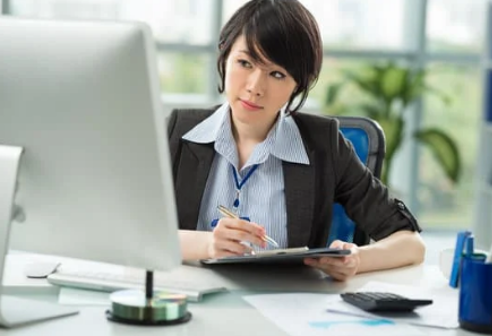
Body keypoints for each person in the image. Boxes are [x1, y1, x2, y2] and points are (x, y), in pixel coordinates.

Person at [168, 0, 425, 281]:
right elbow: (126, 229)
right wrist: (206, 245)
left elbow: (411, 244)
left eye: (277, 74)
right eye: (245, 63)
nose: (255, 87)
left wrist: (357, 260)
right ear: (224, 56)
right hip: (194, 306)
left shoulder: (324, 146)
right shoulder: (178, 133)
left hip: (288, 306)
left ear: (298, 85)